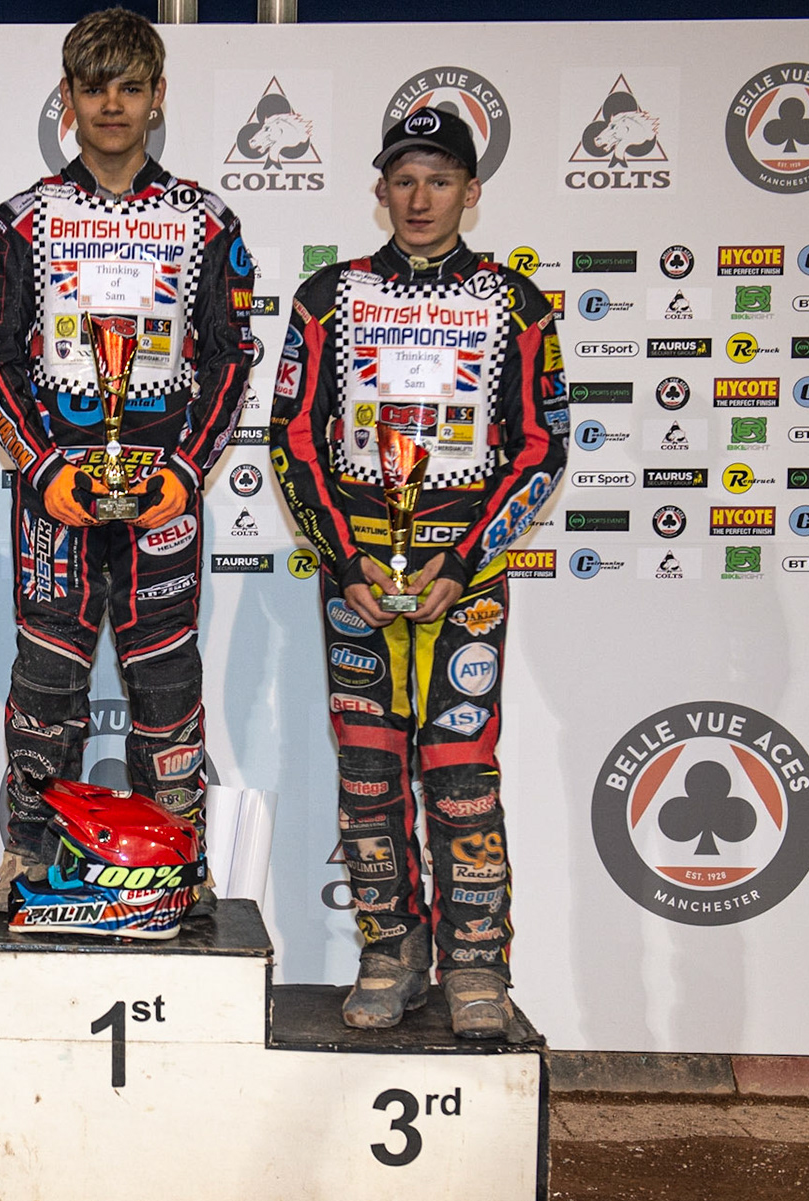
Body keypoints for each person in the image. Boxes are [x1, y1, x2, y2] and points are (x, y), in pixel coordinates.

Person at [268, 107, 569, 1038]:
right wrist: (348, 559)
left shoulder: (518, 303)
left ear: (472, 193)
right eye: (403, 179)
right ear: (380, 191)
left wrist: (468, 555)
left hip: (462, 580)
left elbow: (543, 444)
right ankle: (387, 954)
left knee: (460, 772)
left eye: (440, 180)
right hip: (358, 578)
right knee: (368, 777)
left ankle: (478, 961)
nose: (420, 197)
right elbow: (291, 438)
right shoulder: (327, 297)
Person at [0, 7, 257, 909]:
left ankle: (179, 864)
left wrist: (184, 469)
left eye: (131, 87)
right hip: (54, 495)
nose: (112, 104)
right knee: (44, 689)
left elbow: (230, 357)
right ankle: (30, 859)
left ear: (158, 96)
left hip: (162, 493)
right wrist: (43, 466)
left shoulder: (206, 219)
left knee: (168, 685)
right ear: (68, 97)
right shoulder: (22, 220)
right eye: (95, 87)